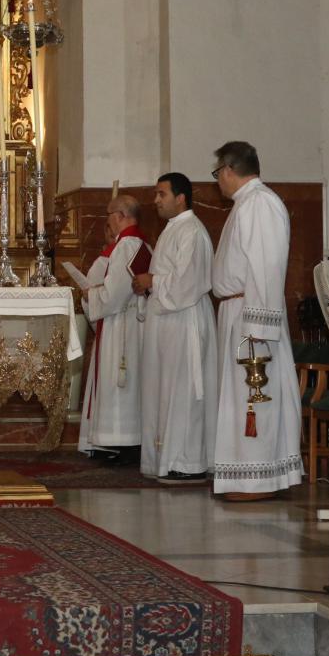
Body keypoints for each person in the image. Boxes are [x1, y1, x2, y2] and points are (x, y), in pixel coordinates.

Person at [209, 141, 304, 500]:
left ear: (229, 170)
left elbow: (265, 267)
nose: (217, 181)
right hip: (238, 312)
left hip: (252, 318)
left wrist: (258, 329)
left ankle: (257, 481)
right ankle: (247, 477)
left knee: (254, 400)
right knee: (240, 401)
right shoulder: (246, 204)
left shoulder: (260, 203)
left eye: (218, 173)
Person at [132, 174, 218, 482]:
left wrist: (152, 281)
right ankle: (165, 459)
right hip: (168, 322)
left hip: (186, 321)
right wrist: (146, 285)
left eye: (161, 194)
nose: (156, 200)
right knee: (166, 389)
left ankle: (187, 460)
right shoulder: (172, 230)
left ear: (181, 197)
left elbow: (188, 283)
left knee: (185, 389)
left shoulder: (192, 232)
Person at [75, 195, 150, 462]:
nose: (107, 220)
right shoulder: (137, 244)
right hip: (124, 323)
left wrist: (91, 295)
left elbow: (115, 293)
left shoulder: (127, 246)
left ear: (120, 215)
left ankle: (119, 443)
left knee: (119, 384)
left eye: (109, 215)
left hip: (121, 327)